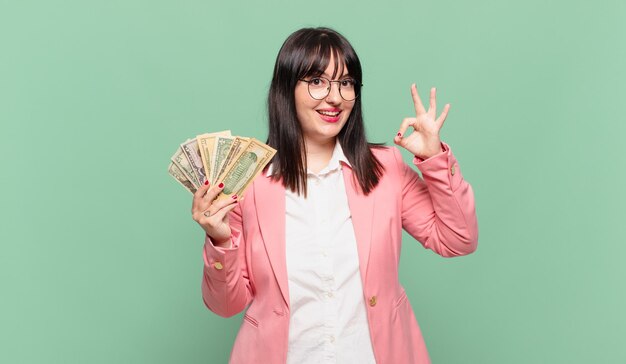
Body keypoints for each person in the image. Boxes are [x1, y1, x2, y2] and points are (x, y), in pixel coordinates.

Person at [191, 27, 478, 364]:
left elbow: (458, 239)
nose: (335, 97)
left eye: (345, 83)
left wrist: (434, 160)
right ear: (287, 89)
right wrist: (220, 240)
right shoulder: (250, 183)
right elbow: (226, 305)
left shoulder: (384, 169)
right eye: (316, 81)